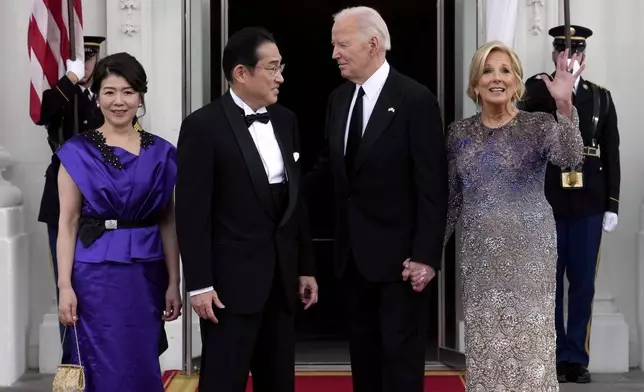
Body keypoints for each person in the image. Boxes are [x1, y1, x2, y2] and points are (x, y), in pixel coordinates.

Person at [304, 7, 447, 392]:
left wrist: (426, 257)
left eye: (341, 44)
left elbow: (432, 186)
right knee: (363, 361)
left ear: (373, 43)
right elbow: (327, 169)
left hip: (402, 263)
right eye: (333, 44)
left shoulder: (415, 99)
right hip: (352, 258)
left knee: (400, 365)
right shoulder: (338, 98)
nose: (334, 53)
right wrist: (276, 191)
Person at [175, 27, 318, 392]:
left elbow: (295, 203)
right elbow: (192, 214)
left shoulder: (286, 121)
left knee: (279, 381)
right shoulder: (201, 126)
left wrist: (305, 268)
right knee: (223, 381)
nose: (280, 77)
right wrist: (200, 285)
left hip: (281, 284)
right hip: (228, 288)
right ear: (241, 73)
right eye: (272, 68)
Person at [445, 40, 584, 391]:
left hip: (530, 260)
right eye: (488, 71)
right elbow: (451, 201)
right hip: (481, 263)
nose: (496, 78)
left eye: (505, 70)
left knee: (530, 356)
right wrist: (426, 255)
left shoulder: (537, 126)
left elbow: (571, 157)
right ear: (475, 83)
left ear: (517, 81)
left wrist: (564, 104)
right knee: (487, 354)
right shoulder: (458, 133)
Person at [56, 52, 182, 392]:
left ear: (140, 96)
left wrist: (174, 282)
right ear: (97, 96)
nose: (119, 101)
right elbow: (67, 223)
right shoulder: (76, 152)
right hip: (93, 276)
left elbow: (168, 220)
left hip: (146, 273)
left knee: (140, 359)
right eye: (109, 92)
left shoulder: (162, 152)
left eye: (128, 92)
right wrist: (64, 287)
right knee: (100, 362)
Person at [34, 36, 156, 363]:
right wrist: (72, 79)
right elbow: (42, 112)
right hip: (67, 206)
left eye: (92, 55)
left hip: (110, 211)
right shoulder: (68, 94)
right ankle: (74, 364)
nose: (88, 61)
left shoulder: (112, 98)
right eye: (82, 56)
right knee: (70, 291)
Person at [520, 25, 621, 384]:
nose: (569, 59)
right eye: (563, 53)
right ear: (553, 56)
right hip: (545, 200)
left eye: (576, 53)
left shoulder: (601, 98)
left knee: (582, 285)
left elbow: (612, 153)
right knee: (549, 284)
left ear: (583, 57)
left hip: (590, 201)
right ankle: (551, 354)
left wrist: (612, 204)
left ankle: (575, 357)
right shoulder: (535, 90)